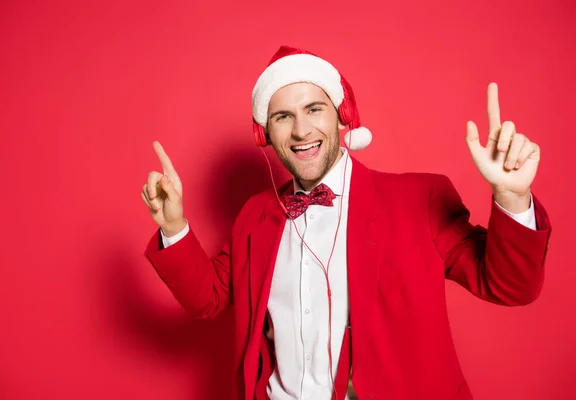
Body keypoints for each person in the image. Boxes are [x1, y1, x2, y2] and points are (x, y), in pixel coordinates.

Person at [141, 45, 551, 400]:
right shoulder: (255, 215)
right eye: (283, 116)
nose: (301, 130)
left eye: (314, 109)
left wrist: (511, 196)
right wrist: (174, 226)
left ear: (342, 116)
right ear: (265, 132)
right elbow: (209, 298)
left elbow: (508, 285)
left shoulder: (419, 199)